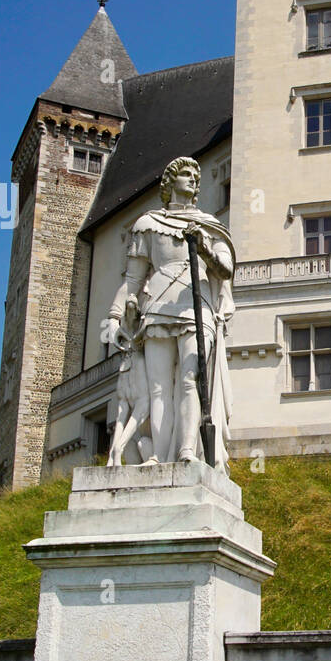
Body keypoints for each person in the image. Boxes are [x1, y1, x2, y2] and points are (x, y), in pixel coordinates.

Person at [104, 156, 234, 468]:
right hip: (157, 308)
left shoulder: (210, 226)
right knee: (158, 387)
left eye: (195, 176)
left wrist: (203, 248)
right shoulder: (147, 224)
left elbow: (226, 270)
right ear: (170, 182)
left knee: (192, 379)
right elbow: (133, 280)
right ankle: (156, 455)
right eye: (185, 174)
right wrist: (113, 315)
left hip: (196, 305)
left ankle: (187, 449)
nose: (192, 180)